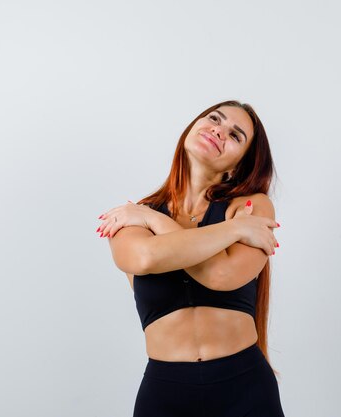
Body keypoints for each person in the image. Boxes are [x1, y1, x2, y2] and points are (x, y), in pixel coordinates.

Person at [96, 100, 286, 416]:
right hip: (165, 392)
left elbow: (222, 275)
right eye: (214, 118)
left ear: (236, 165)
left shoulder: (252, 207)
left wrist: (155, 223)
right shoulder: (133, 215)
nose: (218, 130)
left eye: (235, 135)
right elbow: (144, 257)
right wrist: (234, 231)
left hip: (245, 387)